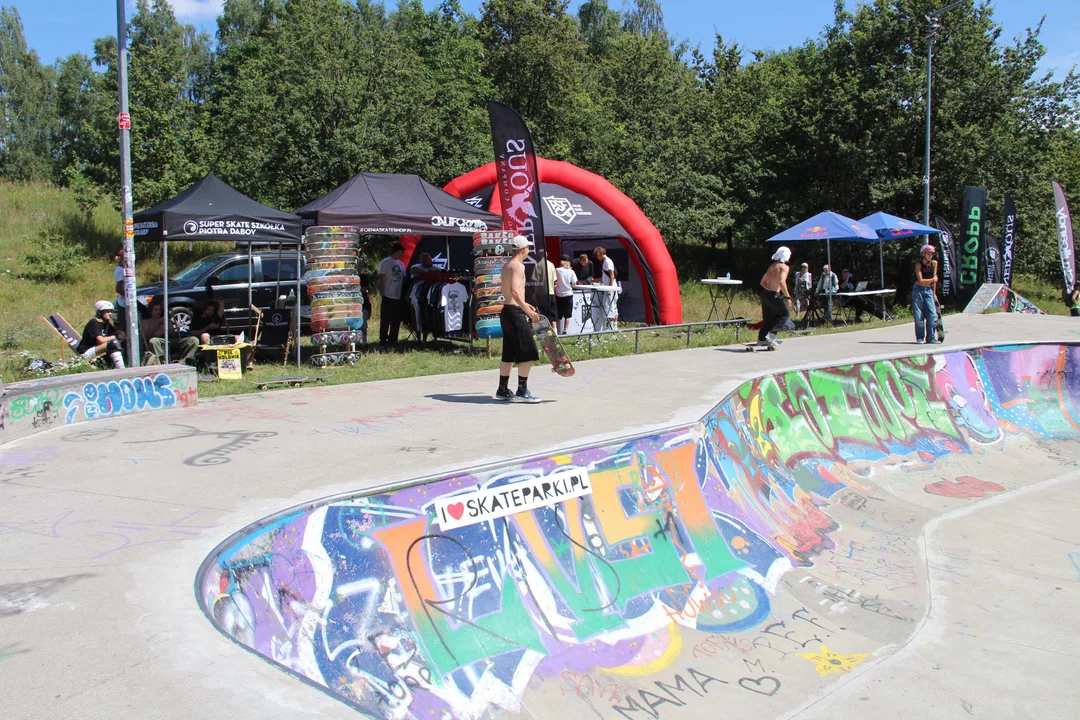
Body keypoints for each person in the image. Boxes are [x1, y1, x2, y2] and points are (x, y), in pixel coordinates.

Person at [495, 236, 542, 403]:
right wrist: (528, 312)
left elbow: (508, 291)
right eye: (528, 248)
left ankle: (502, 389)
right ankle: (522, 390)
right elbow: (515, 291)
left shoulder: (506, 265)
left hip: (507, 311)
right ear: (523, 250)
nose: (528, 250)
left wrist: (526, 305)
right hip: (515, 313)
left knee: (509, 353)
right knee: (528, 351)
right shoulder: (519, 266)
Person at [757, 247, 792, 347]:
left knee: (768, 317)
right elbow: (782, 282)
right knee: (784, 314)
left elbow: (762, 282)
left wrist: (769, 290)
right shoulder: (784, 267)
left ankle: (761, 339)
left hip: (765, 293)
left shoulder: (772, 266)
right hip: (773, 295)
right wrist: (788, 297)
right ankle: (772, 335)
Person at [76, 301, 125, 368]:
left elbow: (116, 333)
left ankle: (117, 367)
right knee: (113, 343)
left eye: (111, 311)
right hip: (86, 353)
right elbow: (101, 340)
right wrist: (115, 336)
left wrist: (120, 333)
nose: (110, 313)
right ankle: (121, 369)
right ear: (99, 312)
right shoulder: (94, 323)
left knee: (119, 341)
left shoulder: (106, 323)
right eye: (107, 311)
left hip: (96, 349)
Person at [377, 243, 406, 346]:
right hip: (387, 295)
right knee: (386, 319)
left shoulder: (401, 264)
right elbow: (380, 278)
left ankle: (393, 340)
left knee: (396, 320)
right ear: (396, 251)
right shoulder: (385, 262)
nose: (402, 254)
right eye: (401, 252)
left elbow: (403, 279)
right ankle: (383, 339)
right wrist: (382, 293)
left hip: (398, 296)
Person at [912, 244, 939, 344]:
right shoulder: (919, 265)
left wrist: (934, 293)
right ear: (923, 254)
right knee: (919, 314)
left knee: (932, 314)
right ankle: (920, 337)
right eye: (928, 254)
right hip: (918, 289)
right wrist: (932, 280)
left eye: (931, 254)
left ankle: (931, 337)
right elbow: (921, 280)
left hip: (929, 291)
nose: (930, 256)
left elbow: (934, 281)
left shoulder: (934, 263)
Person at [593, 246, 618, 326]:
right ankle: (614, 327)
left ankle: (610, 327)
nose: (597, 258)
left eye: (597, 256)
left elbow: (612, 275)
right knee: (613, 307)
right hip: (610, 287)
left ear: (600, 254)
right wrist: (594, 280)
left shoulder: (607, 262)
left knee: (609, 307)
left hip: (610, 288)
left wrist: (609, 289)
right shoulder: (606, 262)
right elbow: (605, 277)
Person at [531, 249, 557, 321]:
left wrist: (534, 292)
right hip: (551, 293)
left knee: (542, 314)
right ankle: (554, 331)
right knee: (552, 314)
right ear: (547, 255)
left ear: (539, 255)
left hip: (541, 294)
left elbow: (536, 281)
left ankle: (544, 331)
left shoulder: (538, 265)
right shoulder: (552, 265)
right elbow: (555, 280)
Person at [554, 255, 578, 335]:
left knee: (558, 314)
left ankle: (557, 330)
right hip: (568, 294)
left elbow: (554, 280)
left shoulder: (557, 270)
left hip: (559, 294)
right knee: (568, 314)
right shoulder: (571, 272)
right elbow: (574, 284)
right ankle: (565, 330)